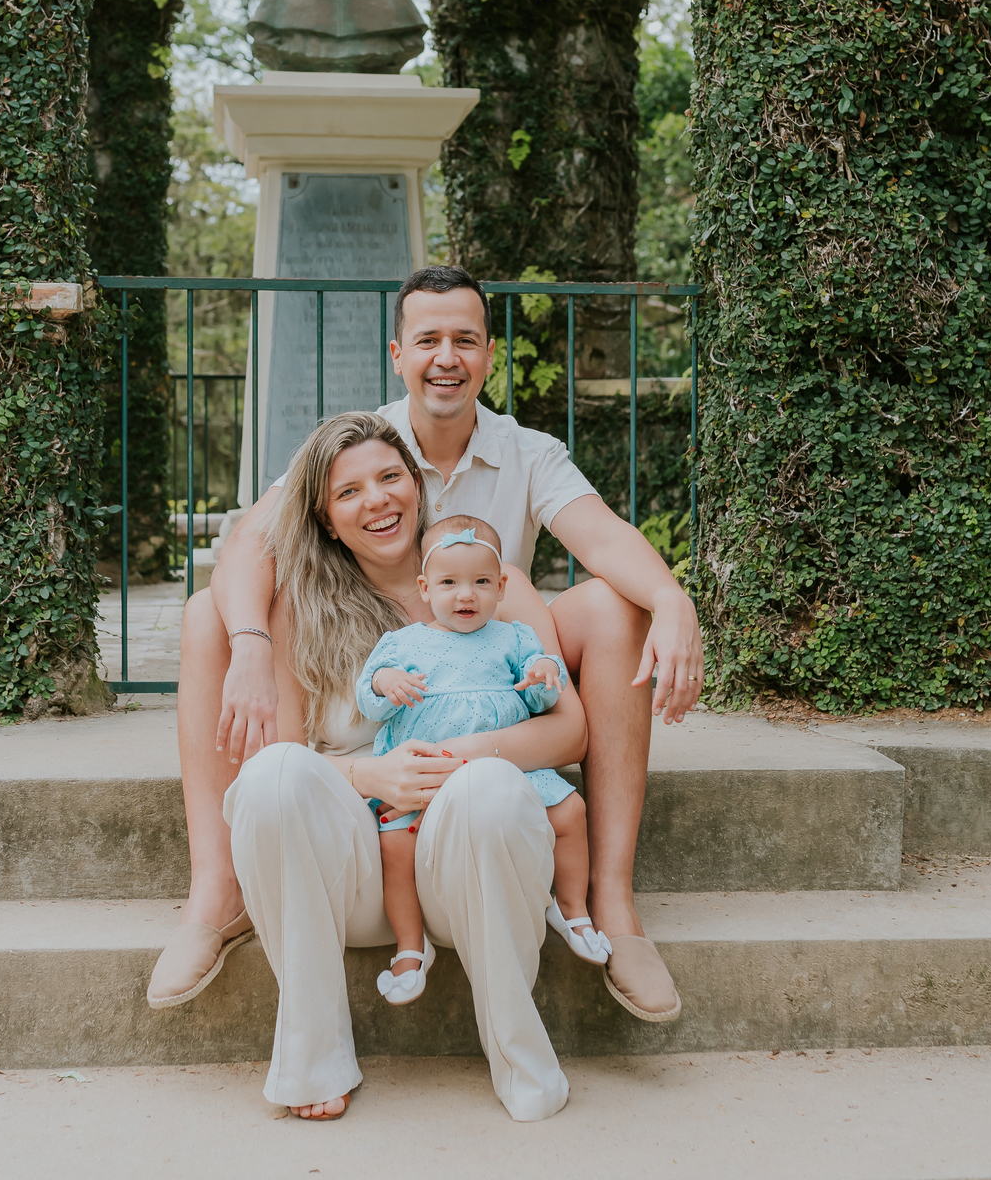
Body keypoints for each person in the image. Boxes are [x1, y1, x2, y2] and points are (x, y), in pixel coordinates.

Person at [151, 265, 703, 1054]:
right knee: (214, 611)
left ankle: (611, 897)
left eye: (465, 340)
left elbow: (604, 535)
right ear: (398, 353)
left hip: (505, 648)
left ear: (487, 354)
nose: (446, 357)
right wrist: (249, 641)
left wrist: (673, 601)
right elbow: (252, 539)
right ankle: (216, 890)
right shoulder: (363, 444)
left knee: (618, 603)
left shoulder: (528, 451)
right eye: (428, 340)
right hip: (405, 673)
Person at [165, 412, 587, 1120]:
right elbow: (286, 754)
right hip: (359, 865)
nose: (378, 500)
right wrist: (369, 777)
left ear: (417, 488)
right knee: (270, 779)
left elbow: (569, 730)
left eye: (390, 477)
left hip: (469, 865)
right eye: (349, 491)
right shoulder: (299, 604)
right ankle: (312, 1060)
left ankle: (522, 1058)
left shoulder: (491, 578)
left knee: (489, 787)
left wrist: (472, 756)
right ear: (328, 520)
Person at [357, 514, 612, 1005]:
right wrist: (386, 684)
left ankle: (572, 907)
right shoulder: (402, 643)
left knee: (571, 813)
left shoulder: (515, 637)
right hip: (428, 772)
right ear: (425, 588)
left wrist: (543, 672)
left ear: (500, 587)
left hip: (508, 772)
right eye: (449, 583)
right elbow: (369, 699)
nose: (465, 595)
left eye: (479, 583)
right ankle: (411, 946)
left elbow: (540, 696)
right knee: (394, 848)